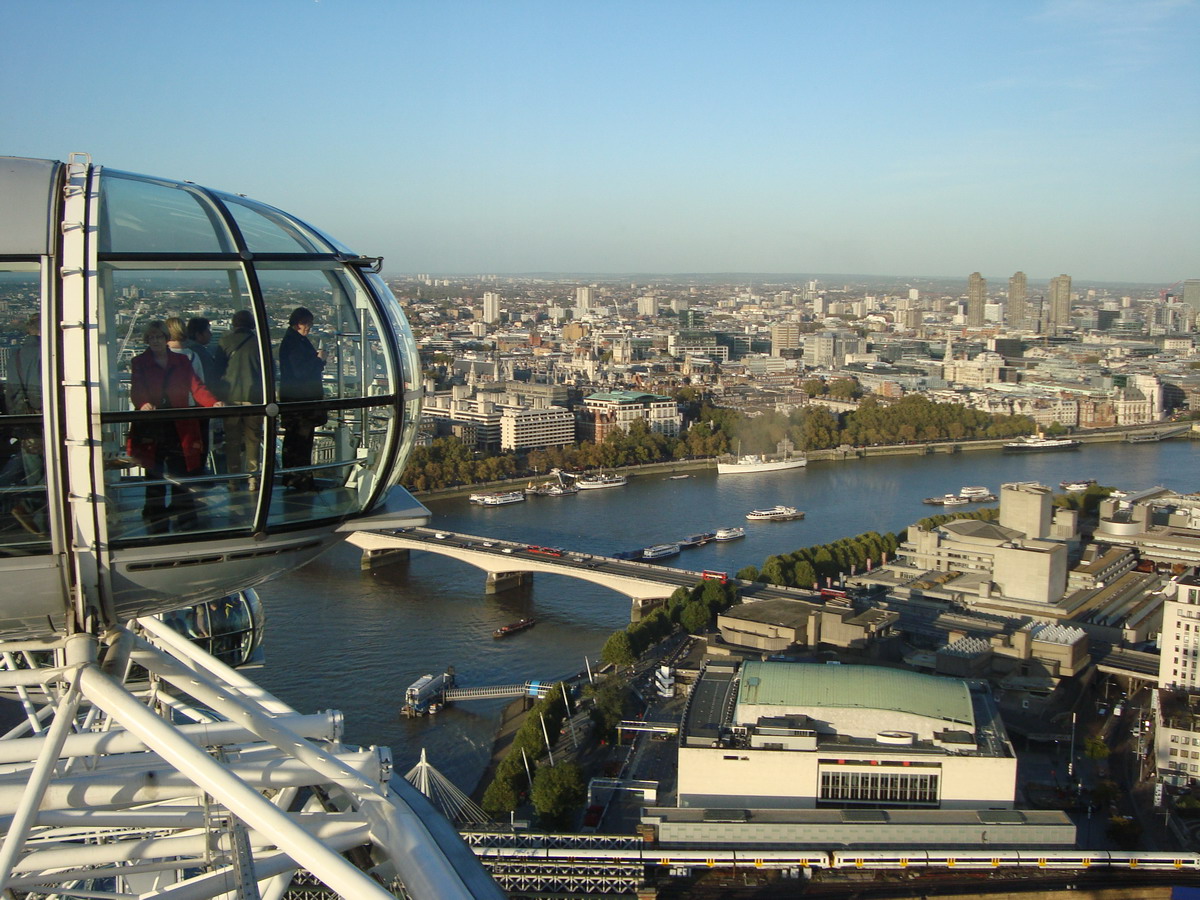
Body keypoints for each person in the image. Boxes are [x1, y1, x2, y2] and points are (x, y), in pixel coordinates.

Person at [128, 321, 224, 534]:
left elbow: (196, 386)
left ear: (165, 338)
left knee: (181, 469)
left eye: (158, 337)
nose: (155, 341)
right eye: (151, 338)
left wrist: (212, 402)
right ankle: (156, 512)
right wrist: (143, 403)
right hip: (153, 424)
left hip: (178, 424)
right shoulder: (140, 362)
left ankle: (182, 513)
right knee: (155, 470)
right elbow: (137, 389)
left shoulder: (181, 361)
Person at [3, 314, 46, 534]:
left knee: (35, 471)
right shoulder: (48, 354)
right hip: (46, 421)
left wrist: (19, 427)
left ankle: (35, 516)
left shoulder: (16, 356)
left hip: (26, 422)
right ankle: (32, 510)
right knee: (54, 470)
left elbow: (11, 394)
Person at [277, 307, 326, 491]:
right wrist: (319, 360)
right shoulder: (295, 343)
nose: (310, 328)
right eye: (308, 324)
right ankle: (300, 480)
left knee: (295, 441)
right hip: (301, 402)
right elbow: (301, 371)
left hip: (296, 401)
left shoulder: (293, 341)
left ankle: (294, 479)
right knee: (300, 442)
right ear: (299, 323)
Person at [215, 310, 263, 491]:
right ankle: (253, 479)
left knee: (232, 441)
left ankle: (233, 480)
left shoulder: (225, 342)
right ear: (252, 324)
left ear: (234, 324)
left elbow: (217, 370)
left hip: (231, 398)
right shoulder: (259, 344)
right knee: (253, 439)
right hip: (254, 398)